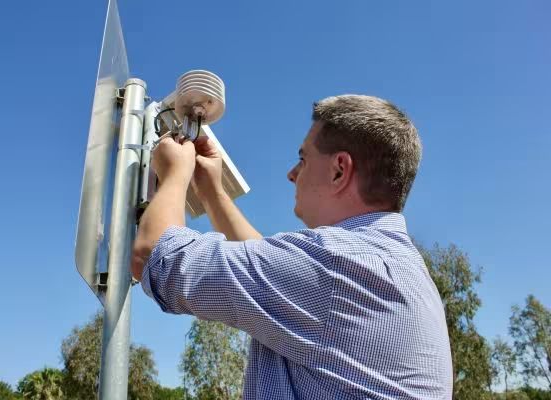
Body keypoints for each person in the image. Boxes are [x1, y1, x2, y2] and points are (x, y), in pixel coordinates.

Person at [130, 95, 453, 399]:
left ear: (339, 170)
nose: (292, 173)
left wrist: (174, 174)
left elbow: (154, 257)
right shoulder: (393, 266)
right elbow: (268, 273)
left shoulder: (336, 265)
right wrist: (212, 191)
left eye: (303, 158)